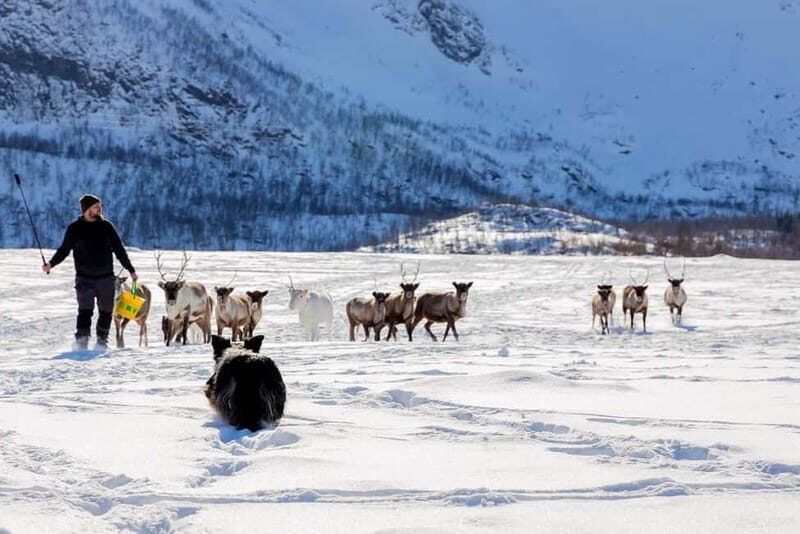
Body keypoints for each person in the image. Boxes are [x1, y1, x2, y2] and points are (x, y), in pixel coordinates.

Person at [42, 194, 138, 350]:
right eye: (95, 206)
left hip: (106, 277)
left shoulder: (107, 227)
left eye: (100, 206)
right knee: (85, 311)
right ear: (86, 209)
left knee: (106, 311)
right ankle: (81, 342)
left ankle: (102, 342)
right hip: (84, 278)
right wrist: (51, 264)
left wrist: (131, 269)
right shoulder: (75, 229)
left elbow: (119, 250)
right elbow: (64, 250)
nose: (99, 209)